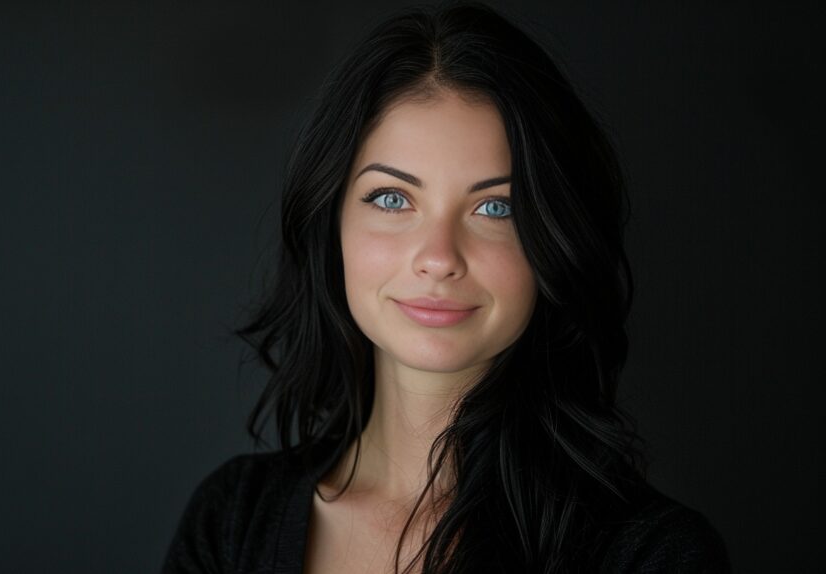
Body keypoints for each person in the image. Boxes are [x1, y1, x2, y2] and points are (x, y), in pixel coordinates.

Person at [162, 1, 731, 572]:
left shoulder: (650, 555)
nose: (438, 258)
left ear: (555, 239)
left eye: (495, 207)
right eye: (392, 199)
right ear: (331, 224)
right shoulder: (231, 523)